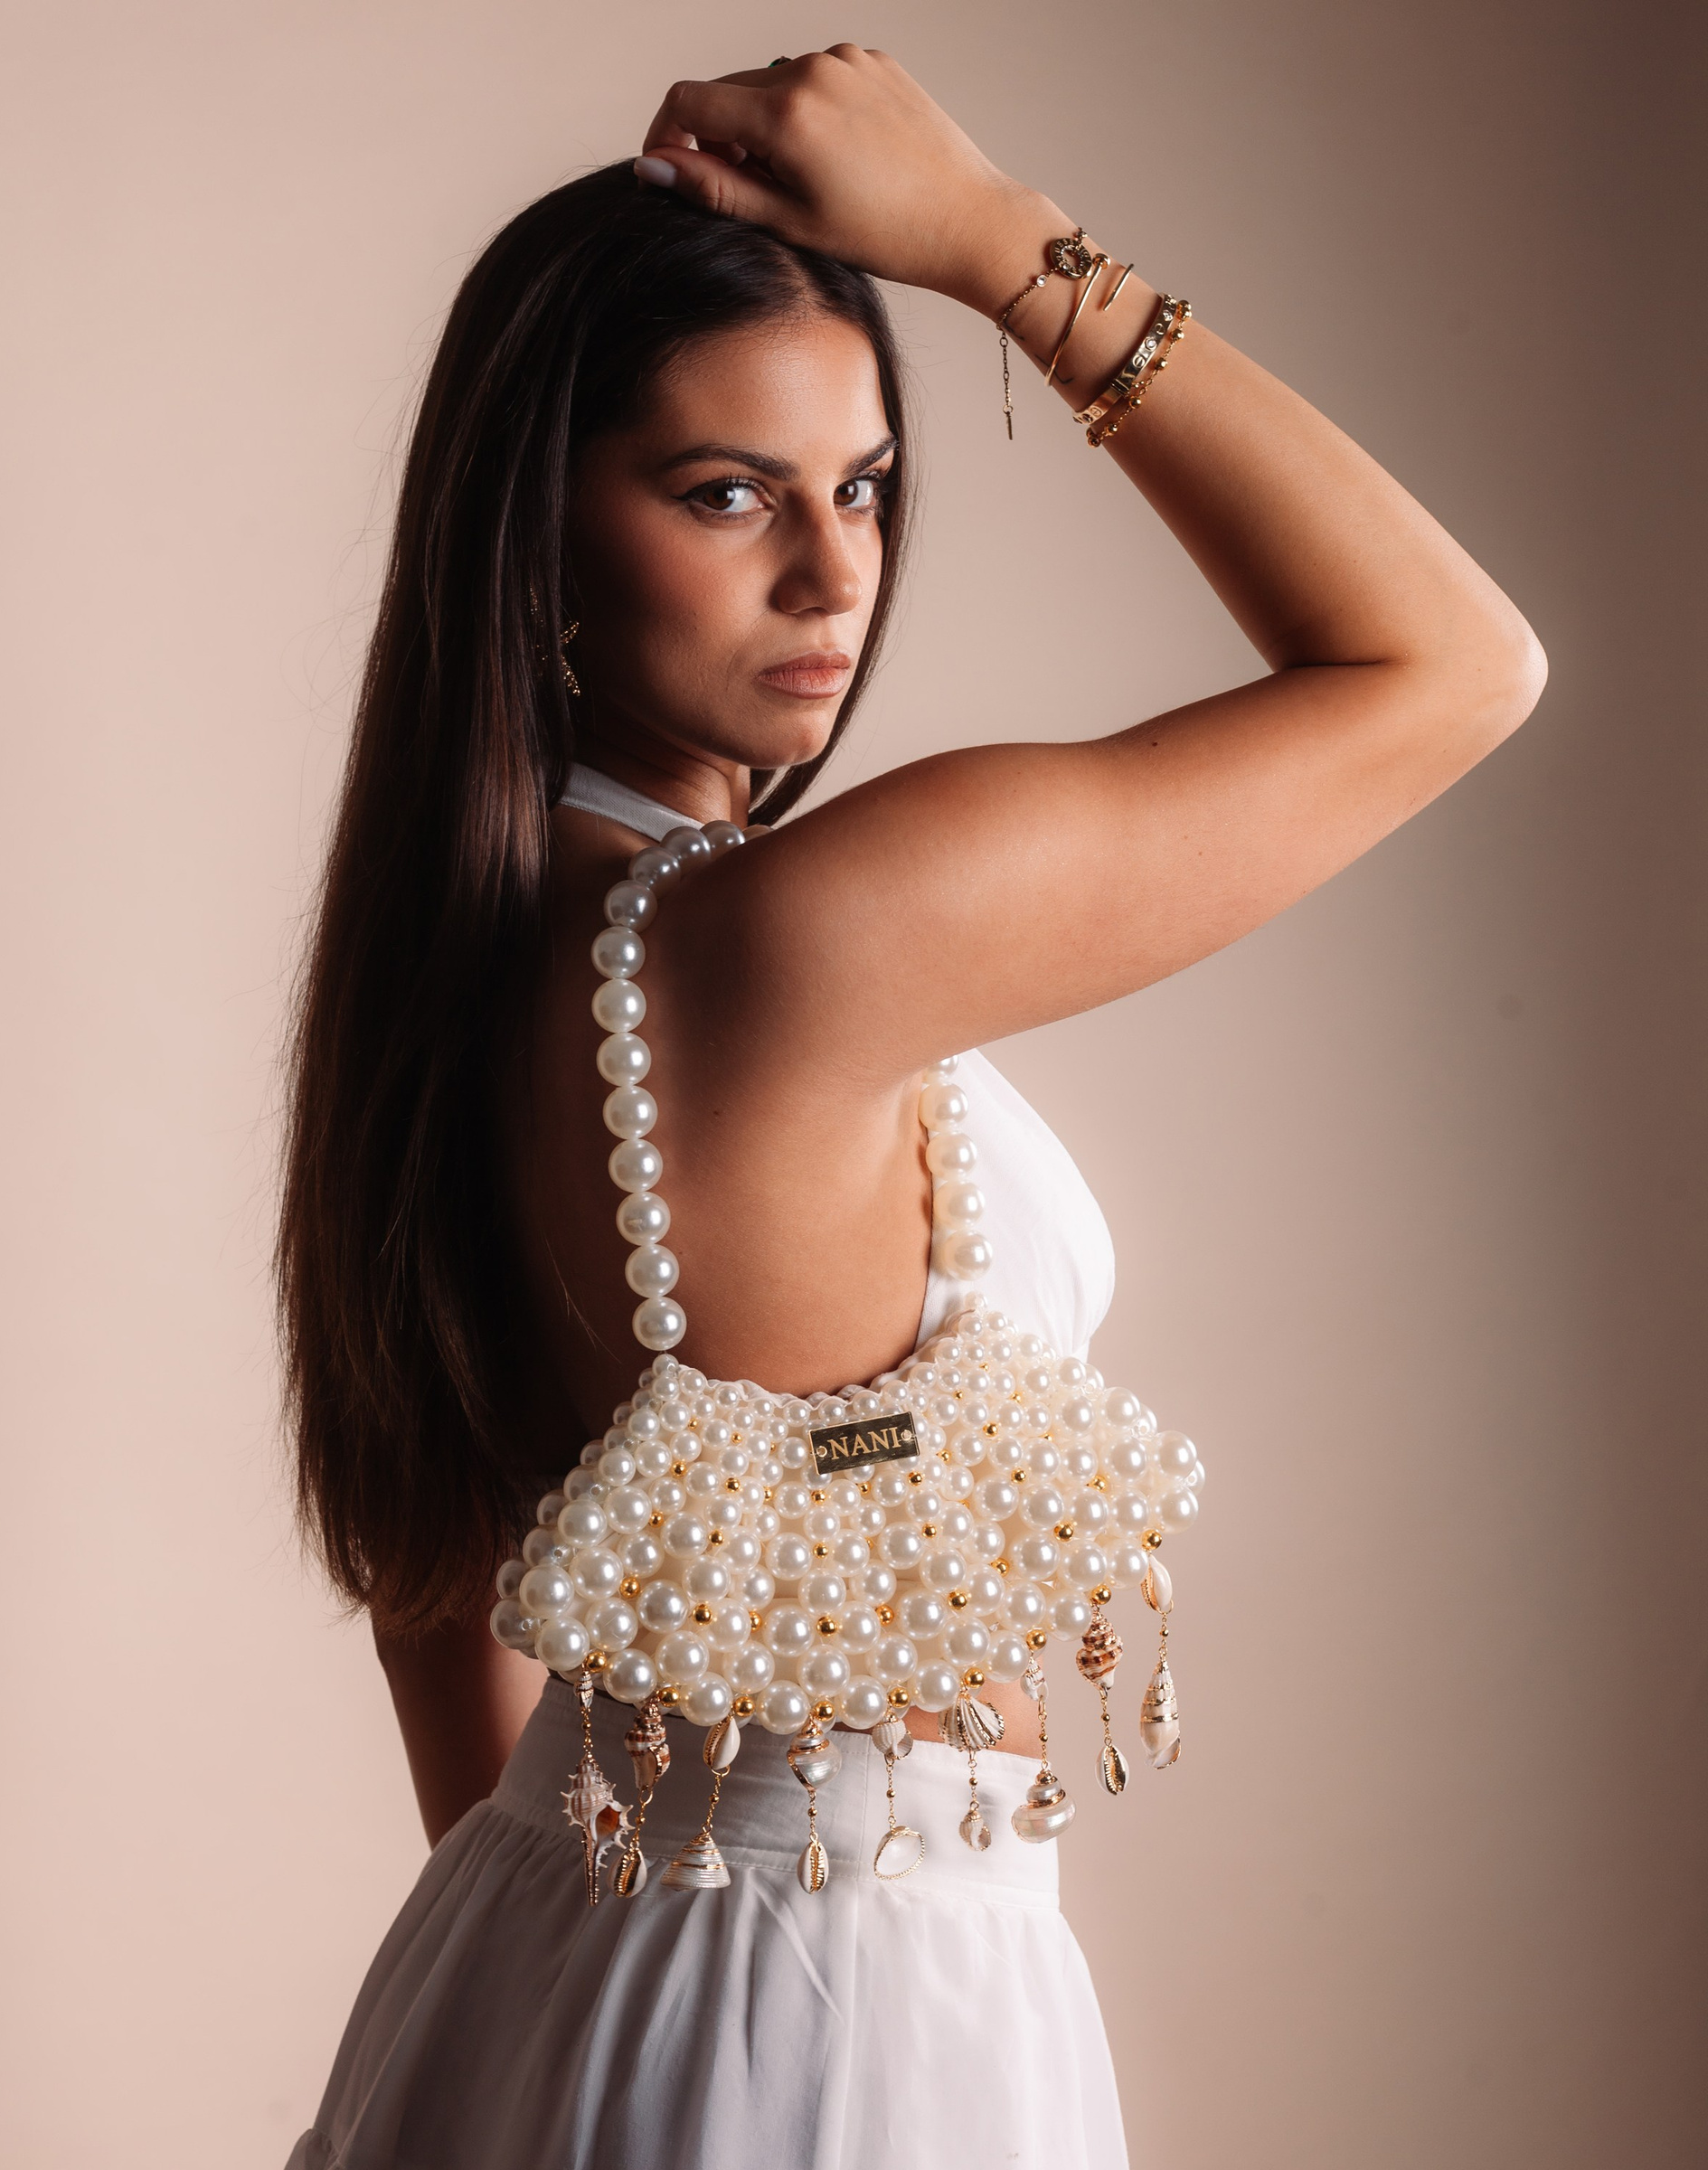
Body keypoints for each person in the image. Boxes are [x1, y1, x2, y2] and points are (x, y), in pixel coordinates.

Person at [280, 45, 1544, 2170]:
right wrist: (992, 239)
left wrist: (592, 2007)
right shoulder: (797, 935)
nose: (830, 572)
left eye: (862, 485)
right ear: (539, 539)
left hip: (546, 1949)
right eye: (725, 493)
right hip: (854, 1995)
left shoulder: (449, 962)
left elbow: (440, 1578)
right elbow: (1451, 663)